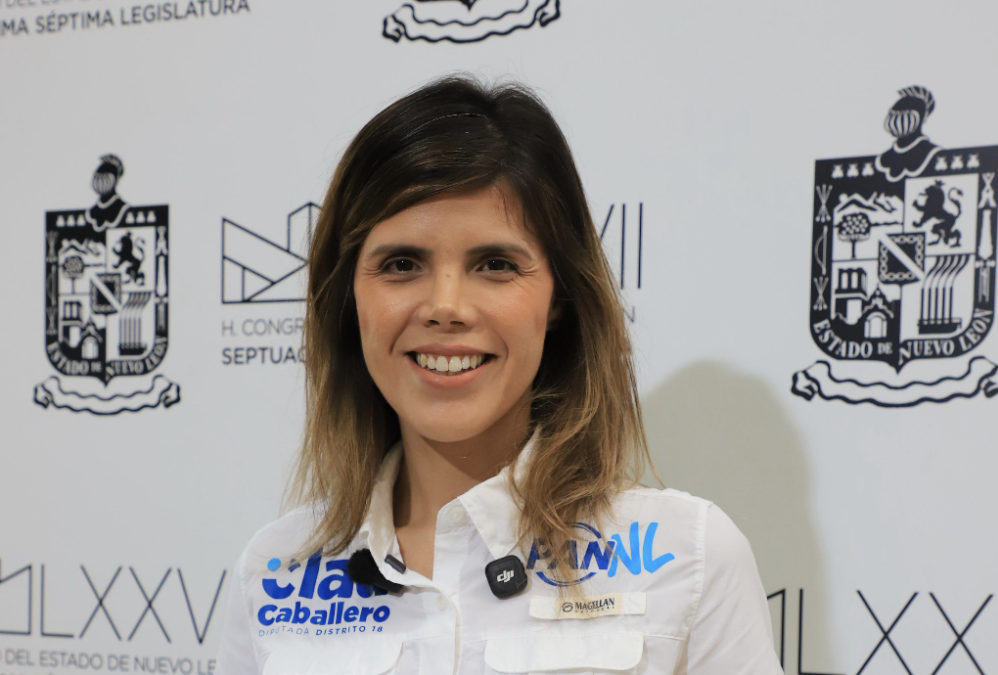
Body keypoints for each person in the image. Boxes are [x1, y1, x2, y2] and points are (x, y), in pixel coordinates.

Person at [214, 75, 782, 674]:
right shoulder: (275, 573)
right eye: (402, 263)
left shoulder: (688, 559)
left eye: (495, 264)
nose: (446, 307)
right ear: (348, 298)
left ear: (559, 296)